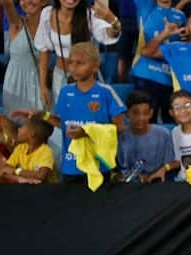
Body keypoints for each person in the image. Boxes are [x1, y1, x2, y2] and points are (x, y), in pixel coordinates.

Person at [15, 42, 126, 184]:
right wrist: (43, 115)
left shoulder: (106, 92)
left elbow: (120, 128)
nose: (74, 68)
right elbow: (64, 123)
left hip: (98, 166)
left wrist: (87, 132)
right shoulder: (65, 92)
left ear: (95, 66)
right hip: (71, 167)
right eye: (71, 63)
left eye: (80, 63)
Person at [34, 0, 121, 108]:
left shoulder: (89, 15)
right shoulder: (47, 13)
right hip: (60, 76)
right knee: (66, 116)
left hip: (87, 77)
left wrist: (112, 19)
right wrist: (43, 86)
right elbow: (44, 51)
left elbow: (109, 35)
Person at [1, 116, 55, 183]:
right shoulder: (20, 148)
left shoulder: (46, 151)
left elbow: (41, 176)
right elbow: (5, 170)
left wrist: (16, 171)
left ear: (32, 133)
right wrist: (22, 179)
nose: (18, 129)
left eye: (22, 127)